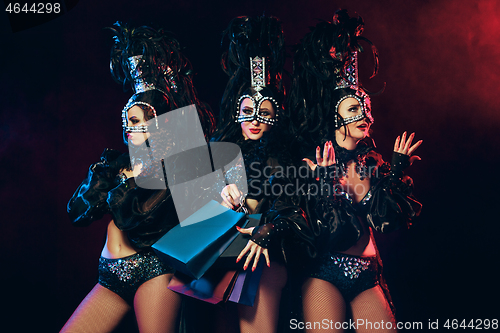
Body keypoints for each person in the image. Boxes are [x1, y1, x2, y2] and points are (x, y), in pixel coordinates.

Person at [61, 22, 214, 333]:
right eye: (127, 119)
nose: (130, 127)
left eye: (138, 120)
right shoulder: (114, 163)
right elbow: (76, 213)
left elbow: (137, 221)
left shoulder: (171, 173)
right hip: (110, 275)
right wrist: (102, 179)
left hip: (153, 273)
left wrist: (119, 186)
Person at [278, 10, 423, 332]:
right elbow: (308, 225)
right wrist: (325, 180)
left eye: (367, 108)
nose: (365, 115)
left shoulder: (373, 161)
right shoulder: (314, 157)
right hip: (322, 271)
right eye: (354, 109)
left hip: (367, 270)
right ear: (334, 116)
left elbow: (388, 222)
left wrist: (392, 173)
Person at [212, 15, 290, 333]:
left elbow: (291, 210)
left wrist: (265, 226)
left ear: (275, 118)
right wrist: (219, 193)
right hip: (218, 258)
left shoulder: (284, 158)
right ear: (237, 113)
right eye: (248, 111)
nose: (255, 119)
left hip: (262, 254)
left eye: (265, 113)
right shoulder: (218, 151)